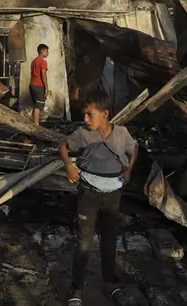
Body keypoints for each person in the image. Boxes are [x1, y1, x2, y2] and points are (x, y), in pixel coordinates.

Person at [59, 90, 138, 306]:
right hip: (89, 195)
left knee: (110, 241)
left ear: (105, 113)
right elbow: (63, 146)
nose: (85, 119)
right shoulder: (83, 134)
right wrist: (68, 165)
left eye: (89, 114)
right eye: (84, 114)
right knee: (84, 243)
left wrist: (129, 170)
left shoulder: (121, 134)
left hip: (112, 197)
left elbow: (134, 149)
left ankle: (109, 284)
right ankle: (77, 289)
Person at [30, 44, 49, 125]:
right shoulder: (43, 61)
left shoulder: (33, 61)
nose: (48, 53)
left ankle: (34, 122)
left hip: (32, 85)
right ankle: (36, 125)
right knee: (38, 106)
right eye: (47, 51)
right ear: (42, 52)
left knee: (36, 105)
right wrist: (46, 88)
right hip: (39, 86)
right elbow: (43, 74)